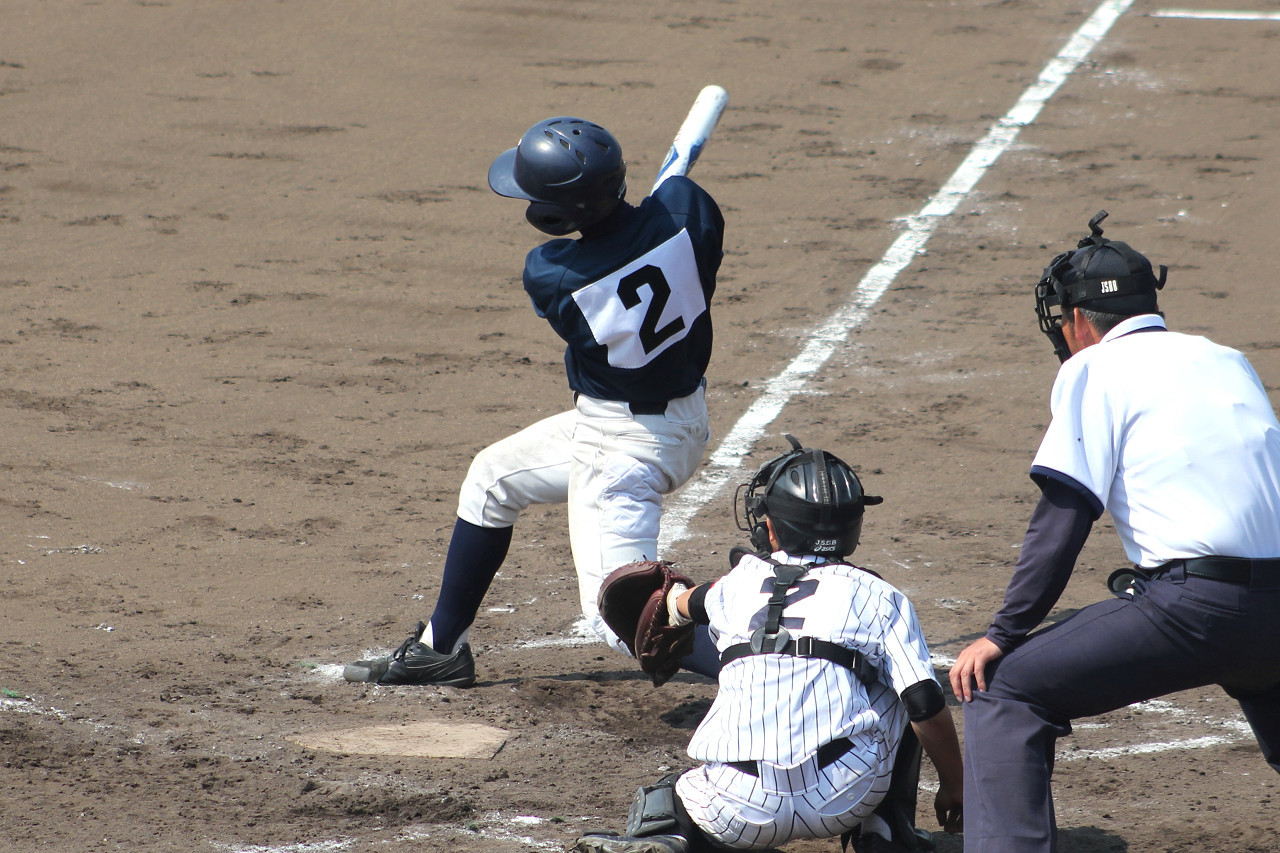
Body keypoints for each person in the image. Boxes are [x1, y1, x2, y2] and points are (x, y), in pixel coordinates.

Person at [344, 116, 725, 687]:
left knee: (621, 614)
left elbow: (606, 256)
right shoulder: (689, 212)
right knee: (493, 478)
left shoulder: (554, 275)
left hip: (621, 449)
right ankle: (440, 648)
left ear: (556, 214)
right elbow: (666, 209)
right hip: (673, 419)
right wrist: (652, 213)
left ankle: (787, 671)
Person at [949, 210, 1280, 853]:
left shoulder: (1093, 368)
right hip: (1278, 611)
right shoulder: (1228, 359)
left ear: (1078, 321)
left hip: (1195, 611)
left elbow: (1063, 517)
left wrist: (1001, 633)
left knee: (1005, 691)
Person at [574, 436, 964, 853]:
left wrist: (668, 603)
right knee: (899, 682)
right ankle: (886, 833)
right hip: (846, 793)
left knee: (673, 794)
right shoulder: (879, 596)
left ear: (770, 527)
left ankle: (670, 836)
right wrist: (955, 785)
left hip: (736, 805)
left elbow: (676, 604)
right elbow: (925, 704)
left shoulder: (733, 586)